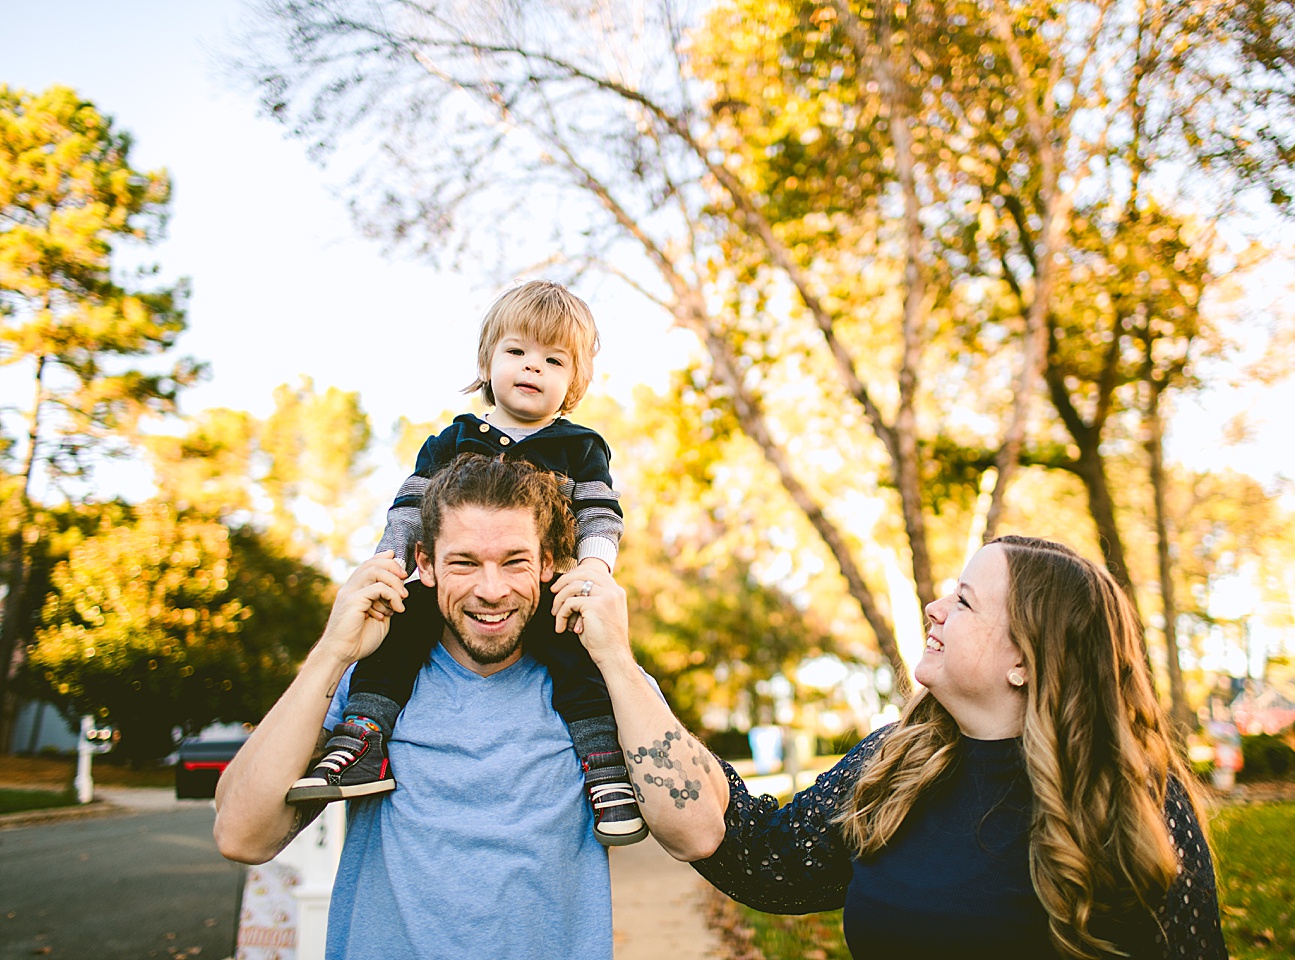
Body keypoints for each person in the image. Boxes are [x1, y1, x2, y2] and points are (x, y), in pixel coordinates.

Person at [213, 454, 727, 960]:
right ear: (425, 565)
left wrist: (616, 656)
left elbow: (698, 833)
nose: (491, 590)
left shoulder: (603, 685)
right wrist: (332, 651)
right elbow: (242, 835)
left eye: (514, 561)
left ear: (548, 564)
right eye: (463, 562)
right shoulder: (371, 687)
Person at [692, 536, 1228, 960]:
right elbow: (765, 858)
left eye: (964, 601)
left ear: (1023, 661)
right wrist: (625, 677)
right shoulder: (896, 762)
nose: (934, 607)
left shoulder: (1136, 806)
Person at [284, 280, 646, 845]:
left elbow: (602, 518)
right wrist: (388, 562)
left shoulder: (579, 447)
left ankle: (603, 767)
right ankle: (362, 740)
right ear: (487, 359)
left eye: (553, 360)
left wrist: (595, 570)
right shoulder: (451, 439)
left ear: (573, 380)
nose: (533, 368)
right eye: (517, 352)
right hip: (448, 586)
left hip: (544, 588)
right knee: (395, 636)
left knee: (579, 660)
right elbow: (409, 509)